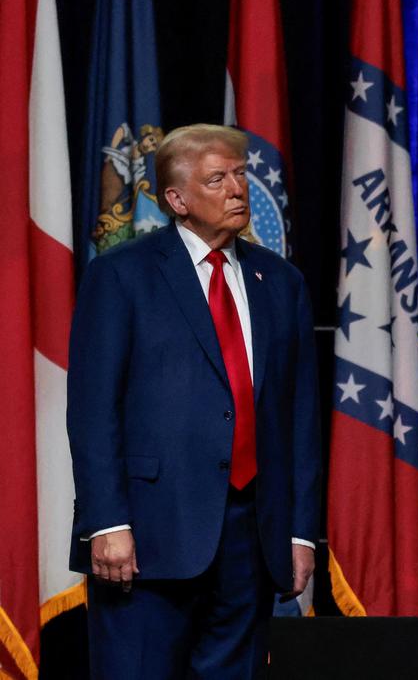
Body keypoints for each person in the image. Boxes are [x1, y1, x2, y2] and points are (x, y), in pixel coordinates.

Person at [66, 124, 321, 678]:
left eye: (239, 174)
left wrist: (300, 532)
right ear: (177, 199)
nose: (237, 189)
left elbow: (299, 418)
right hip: (146, 537)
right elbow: (92, 410)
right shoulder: (120, 274)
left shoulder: (281, 281)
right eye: (217, 179)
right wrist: (106, 522)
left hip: (251, 539)